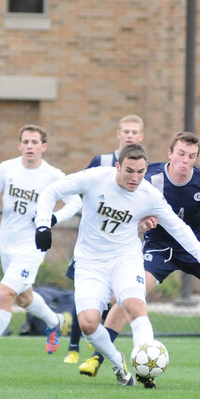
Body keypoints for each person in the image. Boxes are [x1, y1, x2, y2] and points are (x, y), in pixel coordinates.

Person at [30, 143, 200, 387]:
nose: (135, 178)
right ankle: (118, 363)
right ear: (118, 166)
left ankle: (146, 370)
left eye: (141, 172)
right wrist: (43, 225)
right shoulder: (96, 178)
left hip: (125, 259)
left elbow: (179, 227)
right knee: (89, 323)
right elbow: (50, 191)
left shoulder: (149, 194)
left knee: (134, 305)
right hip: (90, 262)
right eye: (130, 171)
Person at [78, 133, 200, 381]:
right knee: (130, 296)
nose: (185, 161)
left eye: (191, 156)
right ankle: (98, 357)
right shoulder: (148, 175)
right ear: (170, 153)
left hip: (199, 248)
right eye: (181, 154)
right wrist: (142, 220)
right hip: (161, 247)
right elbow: (129, 201)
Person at [0, 124, 82, 367]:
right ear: (19, 146)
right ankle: (55, 321)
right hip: (7, 245)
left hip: (32, 246)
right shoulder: (6, 168)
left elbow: (75, 202)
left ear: (43, 147)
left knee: (5, 293)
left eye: (34, 142)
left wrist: (53, 219)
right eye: (25, 142)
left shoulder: (53, 175)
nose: (30, 146)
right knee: (24, 298)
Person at [62, 113, 146, 364]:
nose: (130, 136)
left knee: (120, 299)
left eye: (135, 132)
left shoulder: (143, 166)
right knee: (82, 293)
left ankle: (105, 349)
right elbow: (80, 191)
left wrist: (146, 220)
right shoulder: (102, 161)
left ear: (140, 137)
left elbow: (146, 203)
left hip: (122, 248)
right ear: (118, 134)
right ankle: (73, 347)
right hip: (93, 242)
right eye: (126, 132)